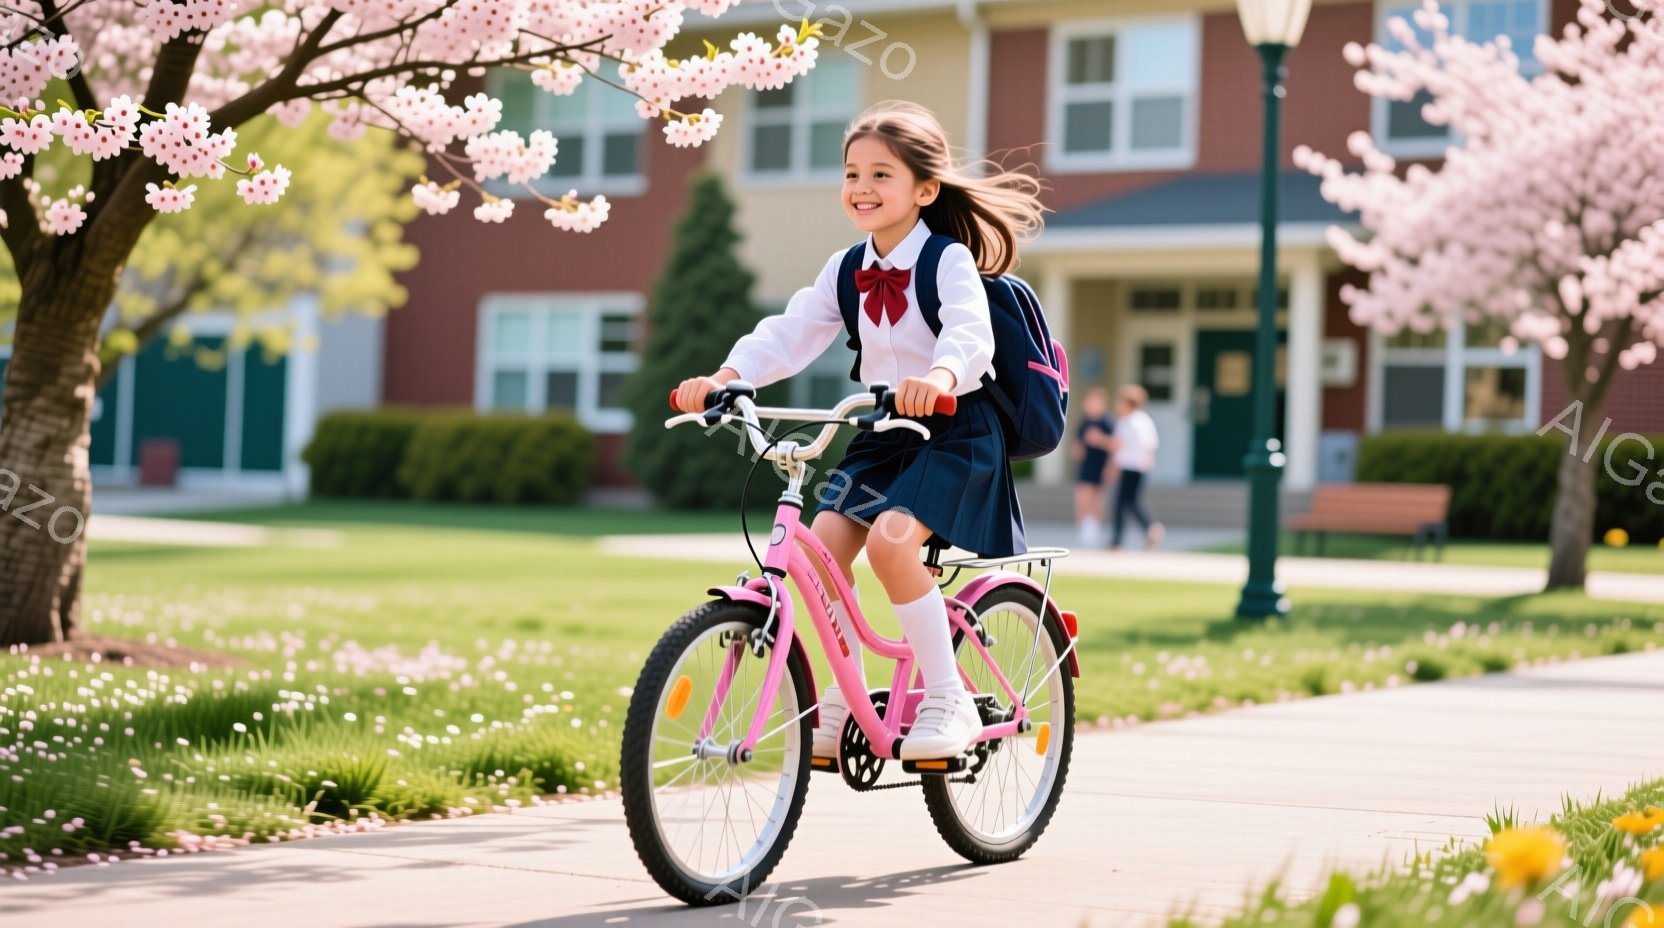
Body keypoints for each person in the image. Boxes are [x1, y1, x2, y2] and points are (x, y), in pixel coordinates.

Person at [672, 101, 1044, 762]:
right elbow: (791, 333)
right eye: (851, 174)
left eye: (881, 175)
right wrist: (729, 375)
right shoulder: (845, 267)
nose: (862, 189)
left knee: (893, 548)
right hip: (883, 431)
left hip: (956, 428)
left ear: (924, 190)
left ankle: (946, 695)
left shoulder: (947, 260)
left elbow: (968, 330)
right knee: (821, 554)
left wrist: (941, 375)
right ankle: (842, 703)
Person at [1107, 384, 1165, 551]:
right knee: (1132, 502)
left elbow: (1117, 445)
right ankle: (1150, 528)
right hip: (1140, 467)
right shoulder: (1144, 420)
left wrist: (1110, 464)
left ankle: (1119, 539)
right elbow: (1150, 446)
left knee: (1122, 504)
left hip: (1127, 466)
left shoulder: (1125, 422)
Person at [1071, 386, 1115, 546]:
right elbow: (1077, 444)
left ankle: (1095, 531)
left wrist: (1100, 440)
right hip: (1086, 465)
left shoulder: (1107, 423)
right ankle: (1083, 529)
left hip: (1101, 465)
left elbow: (1115, 446)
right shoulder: (1085, 422)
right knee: (1083, 497)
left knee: (1097, 499)